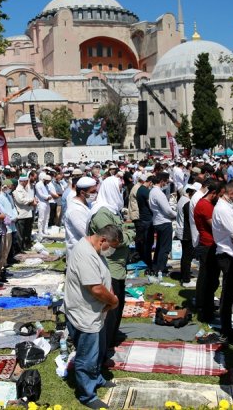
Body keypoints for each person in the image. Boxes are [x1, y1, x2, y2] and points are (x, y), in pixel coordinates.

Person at [64, 224, 120, 409]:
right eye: (111, 246)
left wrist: (109, 295)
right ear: (103, 240)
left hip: (94, 312)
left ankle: (96, 378)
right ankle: (87, 395)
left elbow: (103, 278)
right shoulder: (86, 254)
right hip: (83, 313)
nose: (111, 251)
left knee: (95, 351)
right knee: (87, 356)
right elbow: (95, 288)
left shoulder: (95, 250)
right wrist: (113, 301)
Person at [88, 175, 133, 350]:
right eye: (118, 189)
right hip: (108, 267)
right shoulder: (101, 213)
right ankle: (104, 347)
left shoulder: (110, 210)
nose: (121, 192)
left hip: (117, 266)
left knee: (117, 306)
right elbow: (113, 239)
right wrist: (130, 236)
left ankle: (110, 340)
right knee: (110, 308)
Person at [212, 179, 233, 339]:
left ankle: (227, 326)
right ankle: (226, 328)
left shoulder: (227, 207)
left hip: (229, 254)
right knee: (228, 293)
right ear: (232, 193)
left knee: (229, 293)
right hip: (227, 256)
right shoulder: (223, 209)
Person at [194, 180, 222, 322]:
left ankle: (204, 306)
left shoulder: (204, 203)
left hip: (208, 243)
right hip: (208, 244)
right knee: (209, 280)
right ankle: (206, 309)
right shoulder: (205, 205)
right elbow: (215, 226)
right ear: (213, 193)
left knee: (207, 279)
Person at [148, 172, 177, 277]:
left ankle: (157, 266)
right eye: (166, 182)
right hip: (163, 222)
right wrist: (177, 215)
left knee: (160, 246)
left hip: (158, 220)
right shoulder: (159, 193)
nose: (167, 184)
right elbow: (167, 210)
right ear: (162, 181)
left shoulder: (153, 191)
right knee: (165, 248)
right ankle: (161, 269)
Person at [63, 176, 97, 256]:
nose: (95, 194)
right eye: (92, 192)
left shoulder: (86, 203)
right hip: (79, 253)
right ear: (82, 193)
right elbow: (86, 233)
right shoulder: (75, 210)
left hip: (87, 250)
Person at [12, 175, 36, 251]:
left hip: (27, 213)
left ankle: (24, 246)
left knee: (26, 232)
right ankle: (19, 248)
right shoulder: (18, 189)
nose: (27, 183)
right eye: (26, 181)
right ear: (23, 181)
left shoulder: (24, 189)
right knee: (20, 234)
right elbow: (21, 200)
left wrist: (30, 200)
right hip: (22, 214)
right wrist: (31, 200)